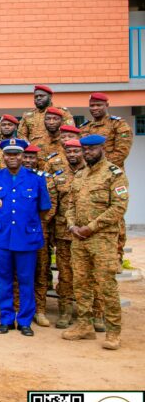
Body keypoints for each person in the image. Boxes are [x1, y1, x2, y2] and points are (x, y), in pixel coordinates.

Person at [62, 135, 129, 351]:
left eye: (92, 149)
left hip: (102, 239)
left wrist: (90, 227)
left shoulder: (114, 174)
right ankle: (84, 326)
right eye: (85, 149)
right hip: (78, 239)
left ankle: (113, 332)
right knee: (80, 284)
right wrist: (72, 225)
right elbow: (70, 204)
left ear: (102, 148)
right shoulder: (80, 175)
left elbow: (118, 208)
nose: (87, 152)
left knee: (106, 286)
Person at [0, 139, 52, 337]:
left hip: (26, 237)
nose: (12, 158)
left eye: (16, 154)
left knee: (26, 280)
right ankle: (6, 319)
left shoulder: (36, 179)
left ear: (23, 156)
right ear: (3, 156)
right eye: (8, 154)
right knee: (4, 280)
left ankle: (24, 321)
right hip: (2, 238)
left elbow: (44, 208)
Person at [80, 92, 133, 266]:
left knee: (114, 215)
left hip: (110, 175)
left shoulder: (118, 125)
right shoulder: (85, 128)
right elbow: (82, 153)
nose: (95, 108)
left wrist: (102, 168)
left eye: (98, 105)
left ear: (107, 105)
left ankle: (116, 256)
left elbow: (121, 151)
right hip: (87, 175)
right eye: (92, 105)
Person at [21, 144, 59, 328]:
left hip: (40, 231)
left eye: (31, 158)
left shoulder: (44, 179)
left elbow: (49, 207)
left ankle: (40, 310)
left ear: (38, 160)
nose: (28, 161)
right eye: (25, 157)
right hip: (19, 232)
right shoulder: (15, 177)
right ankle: (19, 308)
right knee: (19, 273)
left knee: (40, 272)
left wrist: (32, 221)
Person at [53, 139, 87, 329]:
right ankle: (65, 311)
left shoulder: (93, 173)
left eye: (76, 151)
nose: (72, 154)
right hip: (64, 233)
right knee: (65, 275)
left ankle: (92, 314)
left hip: (90, 233)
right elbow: (52, 205)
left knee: (89, 275)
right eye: (69, 151)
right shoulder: (59, 176)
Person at [35, 107, 67, 173]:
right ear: (44, 121)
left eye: (55, 119)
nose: (51, 122)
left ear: (61, 121)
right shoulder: (36, 142)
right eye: (48, 119)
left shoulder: (67, 142)